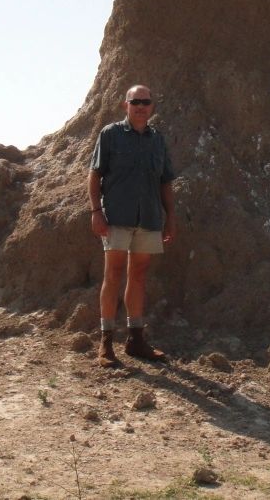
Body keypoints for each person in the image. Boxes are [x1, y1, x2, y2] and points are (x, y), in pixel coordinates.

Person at [88, 84, 177, 367]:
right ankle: (105, 343)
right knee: (113, 274)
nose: (140, 106)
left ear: (152, 107)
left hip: (149, 217)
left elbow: (165, 181)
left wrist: (170, 216)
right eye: (135, 101)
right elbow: (94, 175)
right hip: (117, 216)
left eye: (146, 102)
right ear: (125, 105)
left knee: (138, 275)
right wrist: (96, 211)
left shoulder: (157, 140)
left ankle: (136, 340)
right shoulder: (111, 135)